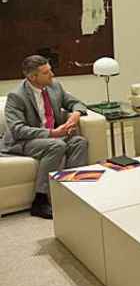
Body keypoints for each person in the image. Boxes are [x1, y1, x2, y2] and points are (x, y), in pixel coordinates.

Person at [2, 55, 89, 219]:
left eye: (50, 70)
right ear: (32, 77)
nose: (52, 75)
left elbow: (76, 103)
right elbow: (18, 130)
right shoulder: (16, 96)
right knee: (56, 145)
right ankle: (40, 201)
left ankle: (73, 193)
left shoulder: (54, 87)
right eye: (46, 73)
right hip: (22, 141)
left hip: (49, 137)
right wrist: (53, 133)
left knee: (79, 142)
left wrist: (76, 114)